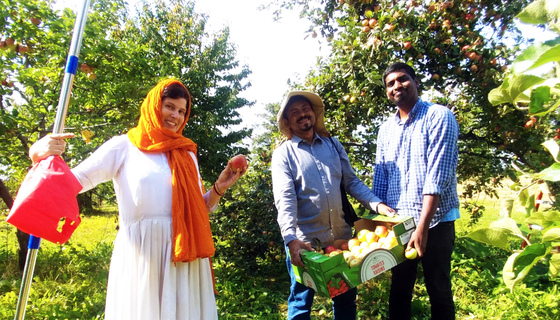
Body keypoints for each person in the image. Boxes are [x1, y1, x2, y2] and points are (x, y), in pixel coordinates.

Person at [29, 78, 247, 320]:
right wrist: (37, 154)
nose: (175, 116)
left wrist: (219, 187)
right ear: (155, 105)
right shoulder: (124, 147)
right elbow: (73, 181)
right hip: (142, 255)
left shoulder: (187, 154)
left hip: (183, 257)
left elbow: (198, 209)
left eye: (182, 111)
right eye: (170, 107)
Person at [271, 91, 396, 320]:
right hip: (305, 244)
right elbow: (285, 199)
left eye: (305, 108)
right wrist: (291, 239)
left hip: (341, 238)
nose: (302, 114)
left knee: (346, 300)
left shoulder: (332, 145)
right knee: (300, 303)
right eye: (294, 112)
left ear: (314, 112)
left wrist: (377, 205)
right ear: (287, 122)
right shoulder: (283, 155)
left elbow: (352, 182)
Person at [372, 62, 460, 320]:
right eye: (390, 84)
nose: (396, 86)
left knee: (439, 288)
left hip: (436, 223)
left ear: (415, 81)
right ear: (387, 91)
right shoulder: (386, 129)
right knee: (399, 289)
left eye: (402, 79)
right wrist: (381, 223)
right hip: (400, 223)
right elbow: (381, 177)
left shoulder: (439, 116)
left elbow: (438, 176)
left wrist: (422, 227)